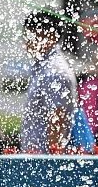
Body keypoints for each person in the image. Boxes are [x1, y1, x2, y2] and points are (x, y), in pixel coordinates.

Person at [21, 11, 77, 153]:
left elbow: (58, 118)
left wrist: (52, 160)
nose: (27, 42)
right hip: (36, 156)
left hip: (44, 158)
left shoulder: (54, 72)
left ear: (50, 36)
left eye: (31, 36)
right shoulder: (43, 67)